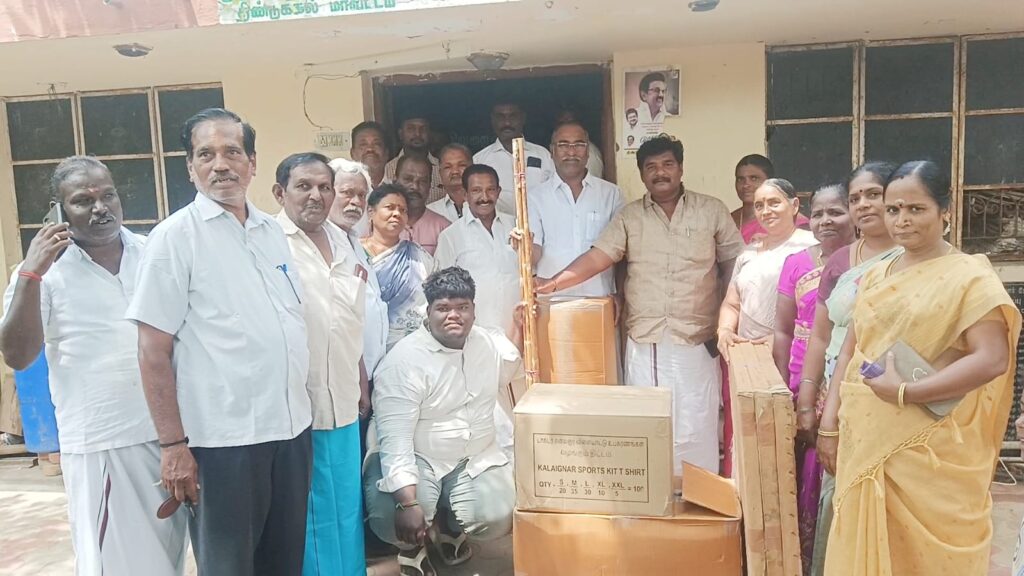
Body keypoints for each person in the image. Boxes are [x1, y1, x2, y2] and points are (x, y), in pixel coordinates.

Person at [127, 108, 312, 576]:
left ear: (252, 162)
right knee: (229, 567)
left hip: (290, 432)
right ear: (190, 167)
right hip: (224, 444)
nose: (221, 164)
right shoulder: (174, 239)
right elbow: (152, 351)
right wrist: (173, 447)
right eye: (206, 154)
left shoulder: (272, 232)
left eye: (232, 152)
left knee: (283, 564)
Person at [817, 160, 1020, 575]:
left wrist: (906, 392)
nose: (902, 220)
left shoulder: (969, 276)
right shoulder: (877, 275)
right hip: (866, 437)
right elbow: (852, 351)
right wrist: (829, 423)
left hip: (931, 448)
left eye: (916, 209)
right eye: (893, 210)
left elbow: (992, 358)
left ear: (945, 211)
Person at [0, 157, 187, 576]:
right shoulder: (45, 271)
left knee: (168, 562)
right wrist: (31, 274)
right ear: (59, 210)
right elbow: (17, 354)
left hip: (171, 435)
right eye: (83, 201)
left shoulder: (151, 253)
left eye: (108, 196)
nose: (100, 208)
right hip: (104, 443)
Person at [535, 136, 743, 473]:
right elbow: (599, 257)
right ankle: (655, 494)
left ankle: (697, 492)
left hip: (697, 338)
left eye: (667, 164)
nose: (660, 173)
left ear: (680, 168)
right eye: (651, 167)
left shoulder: (711, 210)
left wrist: (729, 316)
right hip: (645, 341)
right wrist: (554, 283)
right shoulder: (630, 217)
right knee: (648, 423)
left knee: (697, 421)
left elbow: (734, 262)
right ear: (643, 174)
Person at [364, 266, 520, 576]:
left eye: (462, 307)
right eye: (443, 308)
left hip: (471, 458)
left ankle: (450, 528)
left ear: (474, 311)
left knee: (498, 514)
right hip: (418, 458)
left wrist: (519, 324)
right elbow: (396, 441)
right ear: (429, 311)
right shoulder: (404, 362)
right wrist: (407, 504)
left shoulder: (487, 344)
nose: (454, 316)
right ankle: (411, 548)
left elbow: (509, 368)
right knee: (394, 516)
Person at [795, 161, 899, 576]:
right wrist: (808, 402)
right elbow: (820, 336)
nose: (863, 205)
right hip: (840, 396)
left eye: (874, 194)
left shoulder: (916, 256)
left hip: (897, 397)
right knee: (840, 494)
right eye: (855, 198)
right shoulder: (841, 261)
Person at [272, 153, 369, 576]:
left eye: (324, 187)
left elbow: (349, 319)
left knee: (347, 507)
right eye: (304, 186)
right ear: (280, 192)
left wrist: (361, 378)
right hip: (299, 404)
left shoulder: (344, 240)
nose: (316, 195)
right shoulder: (269, 242)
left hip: (344, 397)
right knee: (312, 514)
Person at [771, 183, 856, 571]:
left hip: (848, 382)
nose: (826, 221)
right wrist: (782, 387)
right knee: (803, 471)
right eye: (818, 213)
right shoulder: (796, 263)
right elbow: (783, 329)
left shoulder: (867, 262)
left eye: (835, 212)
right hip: (801, 381)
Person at [718, 178, 817, 355]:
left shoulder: (811, 247)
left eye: (774, 203)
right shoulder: (748, 252)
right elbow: (732, 304)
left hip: (795, 353)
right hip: (750, 353)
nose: (766, 211)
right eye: (759, 206)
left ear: (794, 206)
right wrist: (725, 331)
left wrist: (783, 338)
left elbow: (819, 310)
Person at [529, 120, 624, 299]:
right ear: (552, 151)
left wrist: (620, 294)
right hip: (551, 300)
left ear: (588, 151)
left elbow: (619, 252)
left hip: (599, 298)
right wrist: (523, 249)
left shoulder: (611, 194)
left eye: (579, 145)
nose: (571, 152)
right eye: (563, 145)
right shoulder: (535, 197)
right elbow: (534, 250)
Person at [434, 164, 519, 333]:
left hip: (517, 329)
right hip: (475, 333)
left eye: (490, 190)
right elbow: (442, 290)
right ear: (465, 194)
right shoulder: (451, 236)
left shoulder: (516, 226)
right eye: (476, 191)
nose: (484, 197)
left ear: (498, 192)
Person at [329, 158, 390, 379]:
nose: (356, 202)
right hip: (347, 374)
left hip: (372, 371)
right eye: (347, 193)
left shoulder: (355, 241)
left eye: (362, 195)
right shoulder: (322, 243)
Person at [361, 183, 434, 349]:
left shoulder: (419, 257)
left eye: (403, 210)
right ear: (371, 212)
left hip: (407, 349)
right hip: (361, 344)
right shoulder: (354, 252)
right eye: (390, 207)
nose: (397, 214)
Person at [473, 101, 554, 216]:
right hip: (497, 226)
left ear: (523, 118)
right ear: (492, 120)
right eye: (500, 117)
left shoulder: (543, 155)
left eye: (513, 116)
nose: (507, 122)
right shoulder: (479, 160)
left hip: (539, 224)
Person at [731, 154, 809, 243]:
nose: (746, 185)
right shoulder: (729, 219)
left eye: (754, 178)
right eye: (740, 179)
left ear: (769, 180)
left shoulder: (791, 218)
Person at [394, 154, 450, 255]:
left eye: (423, 181)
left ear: (429, 185)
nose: (415, 187)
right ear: (395, 181)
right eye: (408, 179)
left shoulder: (444, 228)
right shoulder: (379, 224)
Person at [383, 115, 445, 203]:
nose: (417, 134)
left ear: (430, 134)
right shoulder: (387, 169)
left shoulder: (442, 169)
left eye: (423, 129)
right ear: (400, 134)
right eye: (411, 129)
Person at [554, 107, 604, 178]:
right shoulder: (557, 150)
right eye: (561, 123)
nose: (566, 126)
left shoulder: (590, 153)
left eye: (570, 122)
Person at [428, 143, 472, 223]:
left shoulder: (487, 206)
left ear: (472, 169)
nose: (455, 171)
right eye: (447, 167)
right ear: (440, 173)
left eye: (461, 165)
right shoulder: (431, 212)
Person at [351, 121, 390, 189]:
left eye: (376, 144)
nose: (370, 149)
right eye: (363, 144)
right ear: (352, 153)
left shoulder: (396, 190)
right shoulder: (345, 190)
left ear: (386, 153)